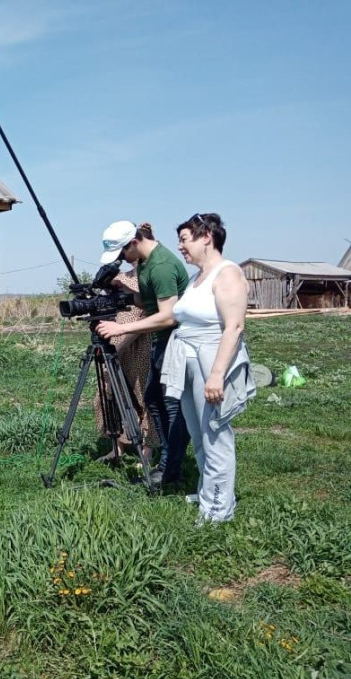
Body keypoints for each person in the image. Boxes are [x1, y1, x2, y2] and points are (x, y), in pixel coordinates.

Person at [161, 213, 254, 523]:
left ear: (206, 237)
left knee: (215, 434)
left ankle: (218, 509)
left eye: (184, 239)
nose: (180, 247)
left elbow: (234, 326)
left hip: (211, 359)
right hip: (187, 358)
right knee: (197, 434)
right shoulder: (197, 277)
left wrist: (216, 374)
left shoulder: (227, 274)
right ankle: (209, 492)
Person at [97, 221, 190, 489]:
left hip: (173, 341)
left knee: (170, 407)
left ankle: (170, 469)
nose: (122, 260)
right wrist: (125, 291)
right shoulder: (147, 263)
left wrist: (121, 327)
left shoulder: (159, 266)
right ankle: (168, 465)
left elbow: (167, 316)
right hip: (162, 341)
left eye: (122, 253)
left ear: (134, 243)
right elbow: (148, 303)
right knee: (154, 399)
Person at [93, 256, 157, 465]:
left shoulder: (149, 279)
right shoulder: (120, 278)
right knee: (111, 391)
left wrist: (121, 343)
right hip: (116, 339)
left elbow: (146, 315)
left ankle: (147, 450)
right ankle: (118, 446)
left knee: (143, 396)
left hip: (139, 343)